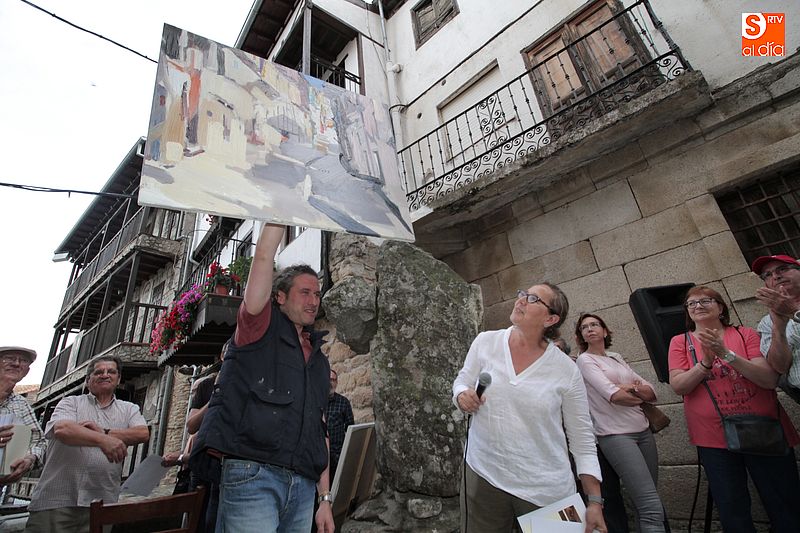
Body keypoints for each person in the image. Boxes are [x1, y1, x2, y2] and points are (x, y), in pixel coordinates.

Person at [191, 223, 334, 533]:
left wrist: (325, 498)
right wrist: (281, 205)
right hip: (253, 475)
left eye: (317, 294)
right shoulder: (258, 327)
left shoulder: (320, 361)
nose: (313, 300)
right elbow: (263, 256)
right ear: (279, 297)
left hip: (303, 487)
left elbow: (319, 429)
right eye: (304, 292)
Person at [453, 283, 606, 533]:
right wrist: (461, 396)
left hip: (547, 487)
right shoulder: (485, 341)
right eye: (522, 294)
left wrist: (595, 501)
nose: (521, 300)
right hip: (484, 474)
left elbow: (582, 439)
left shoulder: (567, 370)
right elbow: (462, 381)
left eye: (533, 299)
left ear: (551, 318)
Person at [668, 285, 800, 533]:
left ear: (720, 307)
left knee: (784, 501)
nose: (698, 306)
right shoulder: (679, 342)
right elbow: (679, 386)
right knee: (732, 506)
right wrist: (706, 362)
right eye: (692, 303)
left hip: (763, 430)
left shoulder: (744, 334)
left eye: (706, 300)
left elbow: (768, 379)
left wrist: (725, 354)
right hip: (713, 438)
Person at [25, 356, 149, 533]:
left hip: (102, 502)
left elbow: (142, 433)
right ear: (88, 380)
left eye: (111, 372)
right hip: (57, 501)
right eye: (98, 372)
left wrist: (103, 433)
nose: (105, 375)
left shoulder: (129, 409)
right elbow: (63, 430)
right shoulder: (71, 403)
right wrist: (102, 440)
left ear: (118, 379)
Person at [574, 314, 665, 533]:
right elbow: (614, 396)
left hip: (643, 431)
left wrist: (631, 389)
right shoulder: (585, 360)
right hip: (616, 435)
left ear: (605, 331)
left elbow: (652, 392)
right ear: (581, 336)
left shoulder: (615, 357)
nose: (590, 329)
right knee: (651, 506)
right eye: (584, 327)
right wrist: (629, 389)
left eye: (594, 325)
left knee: (645, 500)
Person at [752, 254, 800, 404]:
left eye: (783, 269)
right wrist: (779, 327)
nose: (776, 276)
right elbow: (780, 366)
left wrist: (794, 313)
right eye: (768, 275)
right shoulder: (767, 323)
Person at [0, 346, 45, 486]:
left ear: (27, 371)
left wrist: (29, 460)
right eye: (9, 358)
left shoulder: (21, 404)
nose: (16, 363)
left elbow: (39, 441)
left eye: (23, 361)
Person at [326, 369, 354, 483]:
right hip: (320, 454)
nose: (330, 382)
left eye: (333, 380)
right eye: (328, 379)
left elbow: (350, 427)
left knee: (336, 484)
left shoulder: (344, 402)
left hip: (337, 454)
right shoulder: (315, 401)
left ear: (336, 383)